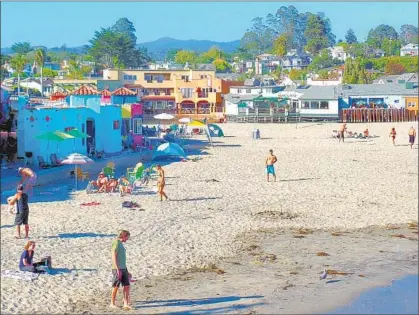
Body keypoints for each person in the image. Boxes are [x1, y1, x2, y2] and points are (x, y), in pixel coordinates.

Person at [110, 230, 131, 310]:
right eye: (127, 237)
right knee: (116, 286)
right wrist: (118, 269)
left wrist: (127, 271)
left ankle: (126, 304)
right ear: (124, 236)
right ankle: (112, 303)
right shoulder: (116, 243)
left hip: (124, 268)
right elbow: (113, 256)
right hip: (117, 268)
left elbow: (122, 259)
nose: (127, 239)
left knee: (126, 285)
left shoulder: (121, 244)